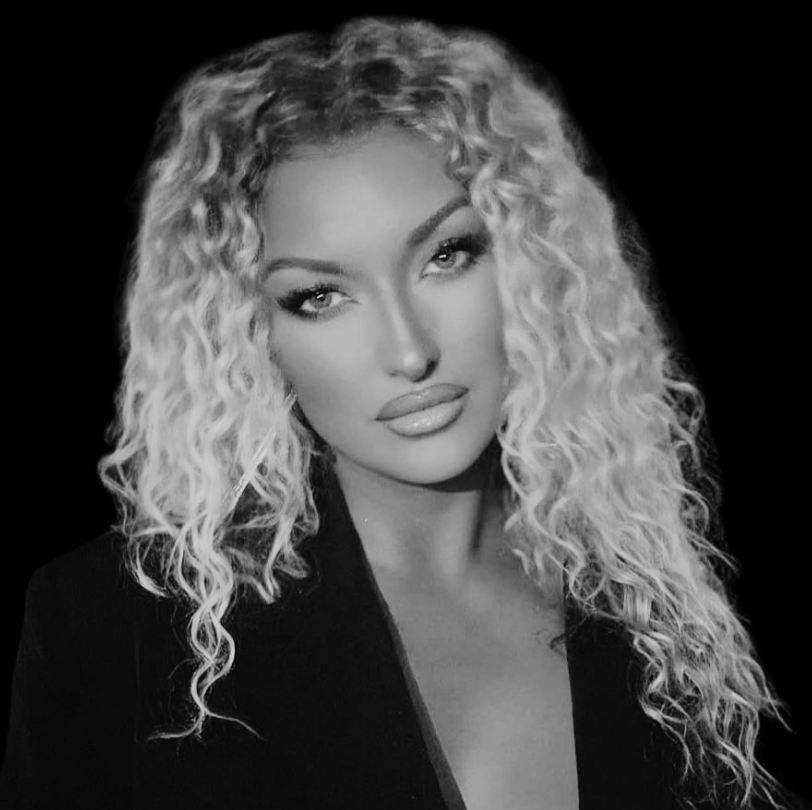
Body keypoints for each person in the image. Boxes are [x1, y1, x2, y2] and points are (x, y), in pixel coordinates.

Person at [1, 15, 808, 810]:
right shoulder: (111, 624)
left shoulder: (680, 594)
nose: (409, 350)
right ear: (249, 331)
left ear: (534, 262)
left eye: (447, 256)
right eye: (320, 296)